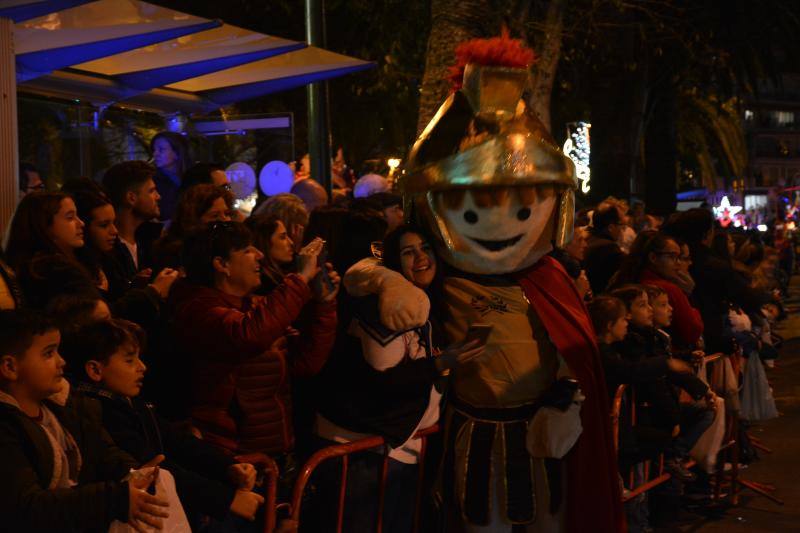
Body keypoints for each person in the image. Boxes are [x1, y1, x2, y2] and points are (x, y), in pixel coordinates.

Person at [315, 225, 485, 532]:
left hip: (400, 447)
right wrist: (442, 363)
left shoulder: (428, 300)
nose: (421, 257)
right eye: (408, 252)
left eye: (425, 248)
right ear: (394, 261)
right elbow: (384, 380)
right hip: (364, 449)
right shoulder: (384, 306)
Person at [65, 318, 264, 527]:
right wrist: (225, 500)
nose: (142, 367)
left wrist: (229, 467)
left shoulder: (128, 403)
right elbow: (154, 467)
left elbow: (180, 441)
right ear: (95, 370)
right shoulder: (101, 413)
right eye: (130, 360)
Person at [170, 221, 339, 457]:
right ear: (221, 264)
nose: (260, 255)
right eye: (247, 250)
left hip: (273, 450)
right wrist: (299, 278)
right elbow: (248, 335)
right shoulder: (198, 312)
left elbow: (305, 363)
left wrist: (324, 305)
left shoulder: (257, 306)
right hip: (229, 457)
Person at [0, 309, 168, 532]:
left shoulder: (71, 408)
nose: (62, 362)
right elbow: (26, 508)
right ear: (10, 367)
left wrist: (134, 473)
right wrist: (113, 499)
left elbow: (105, 453)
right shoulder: (5, 428)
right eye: (49, 353)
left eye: (58, 351)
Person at [610, 285, 714, 482]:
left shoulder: (653, 337)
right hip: (647, 413)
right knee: (641, 481)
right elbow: (653, 379)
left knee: (705, 411)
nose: (649, 310)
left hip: (659, 410)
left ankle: (675, 454)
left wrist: (702, 390)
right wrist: (673, 417)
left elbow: (671, 368)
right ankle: (673, 456)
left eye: (650, 305)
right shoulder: (633, 343)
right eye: (643, 305)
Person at [61, 179, 178, 324]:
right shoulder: (69, 271)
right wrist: (153, 292)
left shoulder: (108, 259)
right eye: (104, 225)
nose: (114, 231)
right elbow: (103, 315)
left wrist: (133, 286)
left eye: (113, 223)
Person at [664, 208, 770, 353]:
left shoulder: (704, 263)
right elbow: (747, 296)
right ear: (707, 233)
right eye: (676, 258)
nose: (685, 263)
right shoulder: (712, 265)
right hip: (707, 334)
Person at [610, 231, 704, 350]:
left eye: (679, 257)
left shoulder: (622, 278)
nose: (678, 263)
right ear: (653, 257)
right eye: (672, 257)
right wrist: (693, 310)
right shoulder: (667, 289)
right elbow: (692, 330)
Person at [4, 191, 98, 309]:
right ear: (44, 226)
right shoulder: (53, 271)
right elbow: (96, 313)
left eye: (77, 216)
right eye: (70, 217)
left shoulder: (29, 265)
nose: (81, 223)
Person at [102, 161, 164, 279]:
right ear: (131, 198)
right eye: (151, 191)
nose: (158, 196)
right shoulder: (106, 250)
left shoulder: (153, 241)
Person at [152, 183, 234, 271]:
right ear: (194, 220)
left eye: (226, 214)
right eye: (215, 216)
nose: (225, 220)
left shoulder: (227, 248)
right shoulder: (176, 255)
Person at [585, 202, 627, 294]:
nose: (622, 230)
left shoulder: (586, 240)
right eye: (621, 225)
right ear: (611, 227)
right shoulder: (609, 249)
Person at [151, 131, 193, 221]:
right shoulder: (153, 182)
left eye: (161, 149)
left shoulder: (192, 178)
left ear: (177, 153)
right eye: (154, 150)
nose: (155, 154)